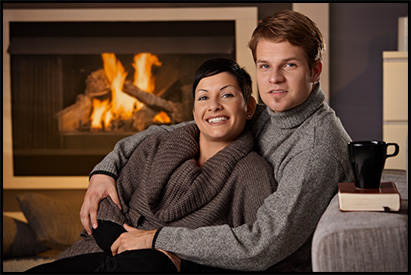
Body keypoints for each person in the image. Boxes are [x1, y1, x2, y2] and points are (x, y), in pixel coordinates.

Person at [80, 10, 355, 272]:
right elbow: (166, 132)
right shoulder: (269, 113)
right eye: (265, 66)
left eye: (289, 65)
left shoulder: (316, 148)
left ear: (315, 70)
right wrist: (104, 171)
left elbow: (262, 245)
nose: (274, 79)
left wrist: (157, 239)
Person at [27, 59, 277, 273]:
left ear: (250, 107)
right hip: (108, 248)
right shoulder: (156, 145)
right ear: (194, 109)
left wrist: (171, 253)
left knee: (150, 263)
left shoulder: (252, 172)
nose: (214, 106)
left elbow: (252, 252)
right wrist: (123, 243)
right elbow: (107, 203)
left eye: (227, 95)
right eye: (203, 97)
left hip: (170, 265)